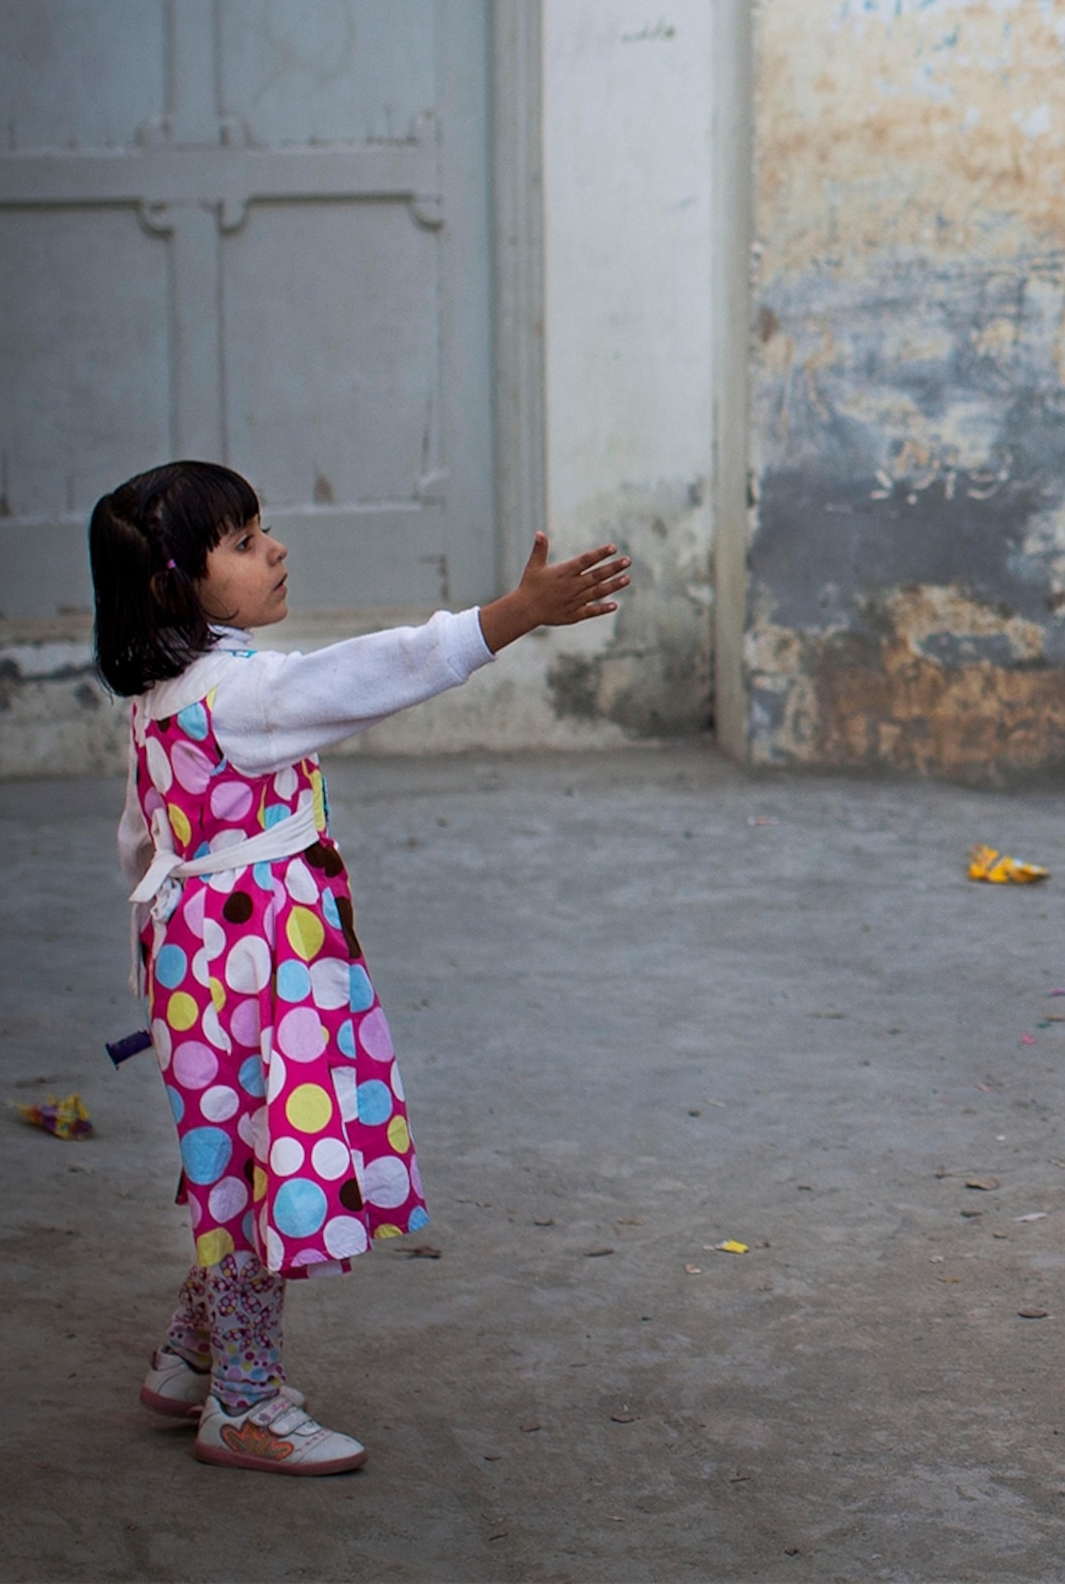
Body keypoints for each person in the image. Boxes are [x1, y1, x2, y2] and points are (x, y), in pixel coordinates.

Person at [90, 461, 628, 1474]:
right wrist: (512, 614)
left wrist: (164, 983)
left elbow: (140, 842)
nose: (276, 548)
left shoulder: (160, 700)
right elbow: (381, 669)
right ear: (174, 585)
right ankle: (242, 1407)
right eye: (245, 542)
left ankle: (187, 1360)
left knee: (229, 1164)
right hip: (259, 979)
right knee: (258, 1181)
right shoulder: (244, 695)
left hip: (198, 974)